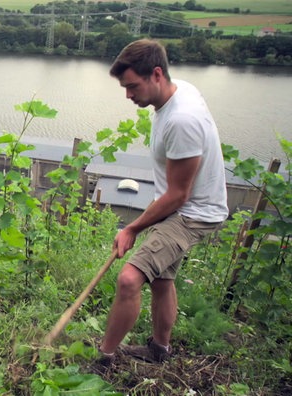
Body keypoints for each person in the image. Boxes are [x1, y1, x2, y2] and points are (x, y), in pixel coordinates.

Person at [96, 39, 229, 367]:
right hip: (183, 205)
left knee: (129, 278)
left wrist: (133, 227)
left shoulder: (182, 120)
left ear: (156, 74)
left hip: (192, 212)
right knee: (162, 278)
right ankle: (159, 350)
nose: (128, 95)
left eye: (132, 86)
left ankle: (103, 359)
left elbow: (178, 194)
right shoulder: (178, 90)